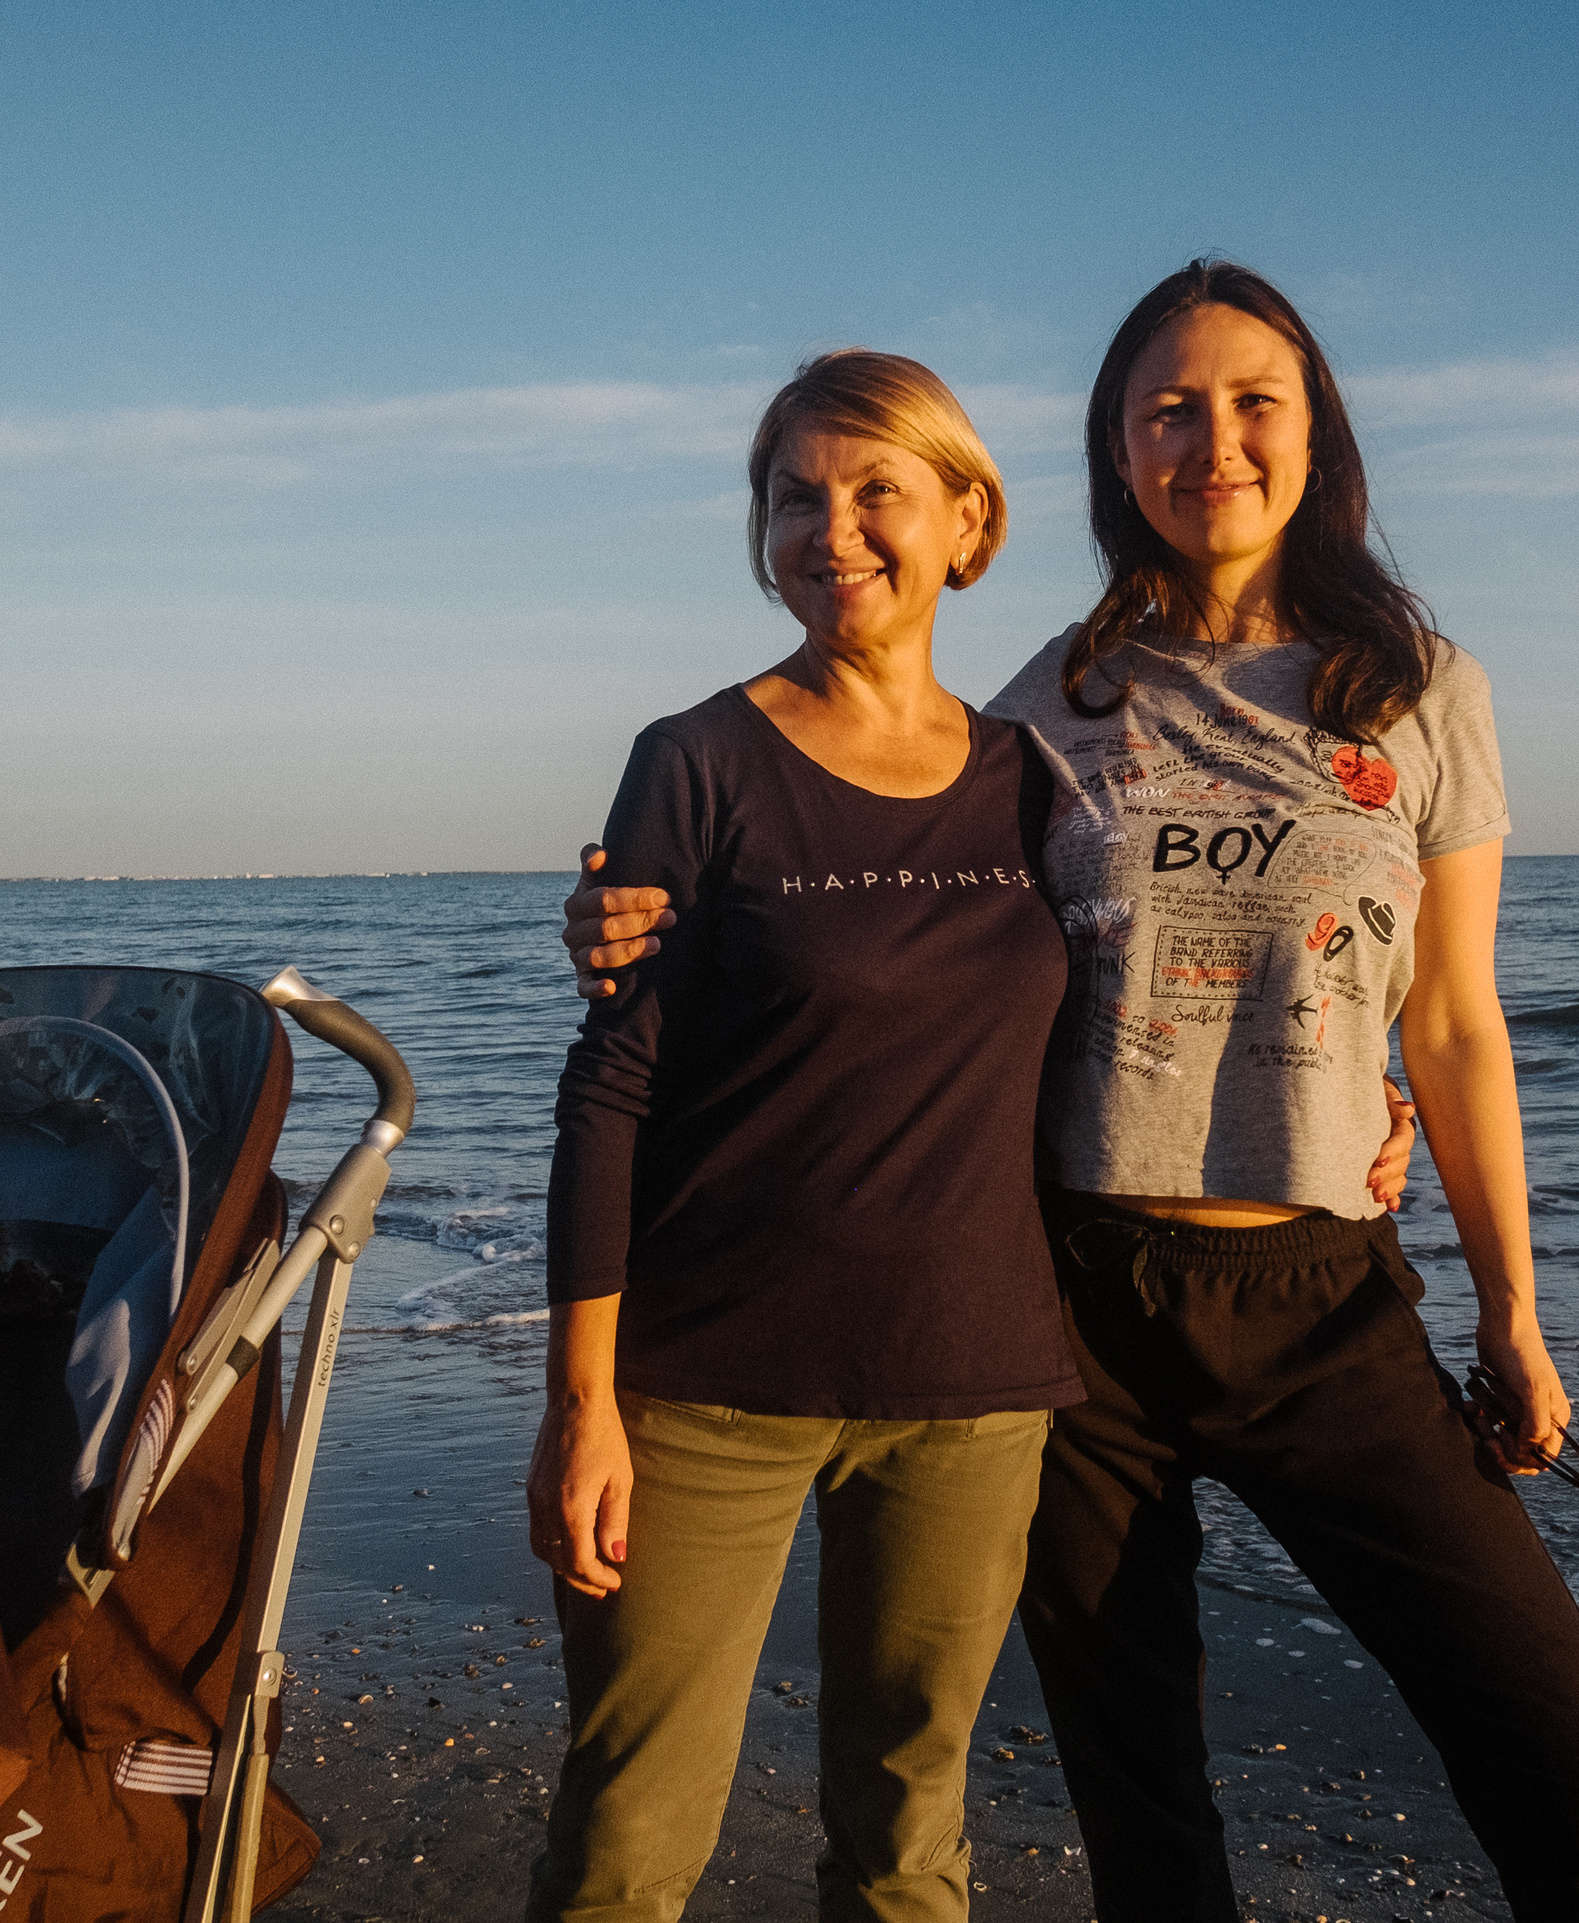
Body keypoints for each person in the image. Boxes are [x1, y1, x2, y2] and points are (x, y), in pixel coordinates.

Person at [572, 261, 1579, 1923]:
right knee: (1143, 1808)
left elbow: (1453, 1020)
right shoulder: (1042, 711)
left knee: (1575, 1769)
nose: (1211, 442)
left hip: (1320, 1301)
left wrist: (1513, 1313)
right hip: (1072, 1309)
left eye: (1254, 403)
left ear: (1317, 435)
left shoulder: (1424, 689)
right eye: (1168, 408)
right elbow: (891, 928)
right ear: (1115, 452)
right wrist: (631, 919)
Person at [524, 349, 1088, 1923]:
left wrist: (1364, 1102)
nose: (831, 531)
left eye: (874, 491)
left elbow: (1147, 1021)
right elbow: (610, 1087)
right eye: (794, 499)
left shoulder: (1035, 778)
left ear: (965, 520)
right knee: (628, 1846)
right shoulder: (694, 763)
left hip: (972, 1392)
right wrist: (582, 1403)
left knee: (911, 1848)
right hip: (704, 1390)